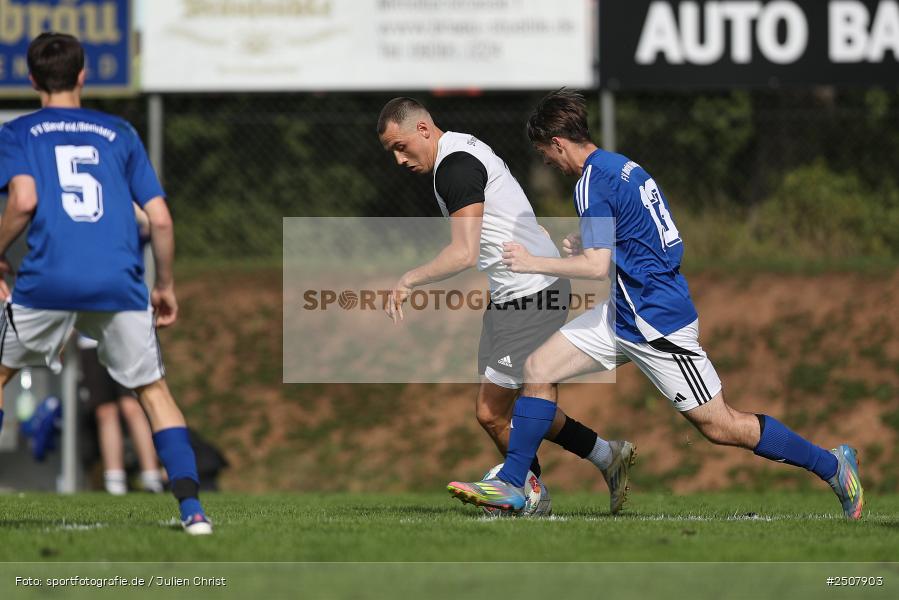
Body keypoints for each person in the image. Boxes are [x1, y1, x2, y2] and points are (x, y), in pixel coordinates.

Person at [447, 89, 863, 520]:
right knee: (538, 368)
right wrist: (590, 244)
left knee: (720, 425)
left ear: (557, 143)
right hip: (624, 313)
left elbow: (595, 268)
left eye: (544, 154)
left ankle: (832, 465)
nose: (548, 162)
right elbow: (638, 236)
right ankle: (514, 483)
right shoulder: (622, 166)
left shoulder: (590, 182)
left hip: (655, 322)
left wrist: (534, 261)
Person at [377, 97, 635, 513]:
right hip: (512, 294)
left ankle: (527, 492)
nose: (399, 159)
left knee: (492, 411)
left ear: (423, 129)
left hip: (532, 292)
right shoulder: (459, 150)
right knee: (511, 406)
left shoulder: (455, 167)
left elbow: (463, 253)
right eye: (391, 152)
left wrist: (410, 279)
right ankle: (605, 457)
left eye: (400, 146)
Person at [0, 32, 212, 534]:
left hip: (48, 277)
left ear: (31, 80)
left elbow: (24, 201)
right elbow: (161, 219)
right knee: (153, 391)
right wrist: (165, 285)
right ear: (82, 75)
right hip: (118, 280)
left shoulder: (19, 132)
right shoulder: (119, 131)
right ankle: (192, 511)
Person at [80, 335, 164, 495]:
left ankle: (152, 477)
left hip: (126, 338)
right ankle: (114, 480)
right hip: (91, 342)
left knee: (132, 406)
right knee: (105, 411)